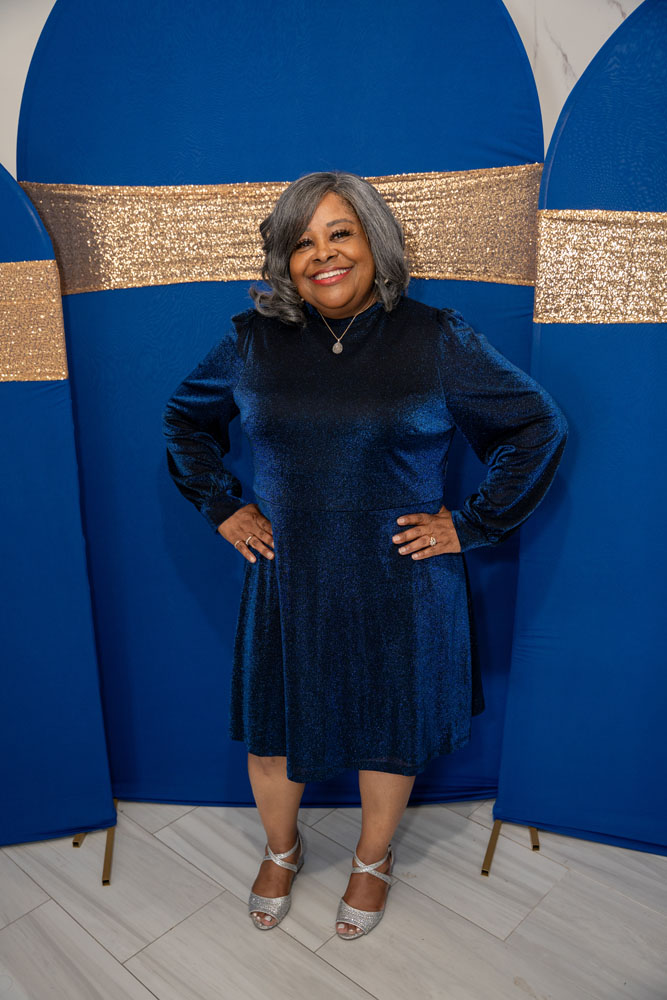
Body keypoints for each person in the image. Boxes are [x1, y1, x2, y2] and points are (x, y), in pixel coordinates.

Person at [161, 170, 568, 939]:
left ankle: (371, 860)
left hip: (401, 581)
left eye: (339, 233)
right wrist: (222, 505)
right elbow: (184, 420)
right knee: (273, 731)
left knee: (391, 731)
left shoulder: (435, 337)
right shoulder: (251, 342)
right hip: (290, 577)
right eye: (301, 243)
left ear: (374, 241)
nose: (322, 254)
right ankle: (281, 851)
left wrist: (473, 523)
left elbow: (536, 426)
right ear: (284, 262)